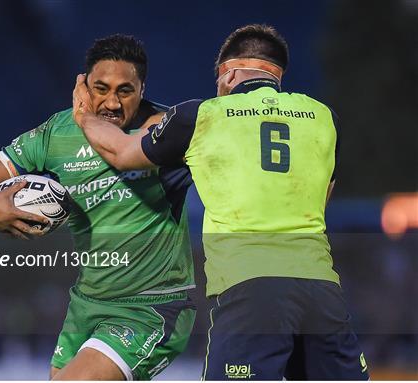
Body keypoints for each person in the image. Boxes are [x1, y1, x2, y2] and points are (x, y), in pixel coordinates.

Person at [72, 25, 369, 380]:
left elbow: (121, 151)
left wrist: (85, 116)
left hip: (251, 290)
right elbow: (320, 203)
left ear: (229, 74)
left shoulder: (202, 116)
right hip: (323, 292)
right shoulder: (324, 118)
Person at [0, 34, 196, 381]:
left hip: (149, 306)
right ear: (84, 86)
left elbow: (124, 154)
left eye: (125, 90)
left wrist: (85, 119)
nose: (111, 102)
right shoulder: (57, 133)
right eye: (101, 88)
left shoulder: (164, 128)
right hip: (87, 304)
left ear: (142, 88)